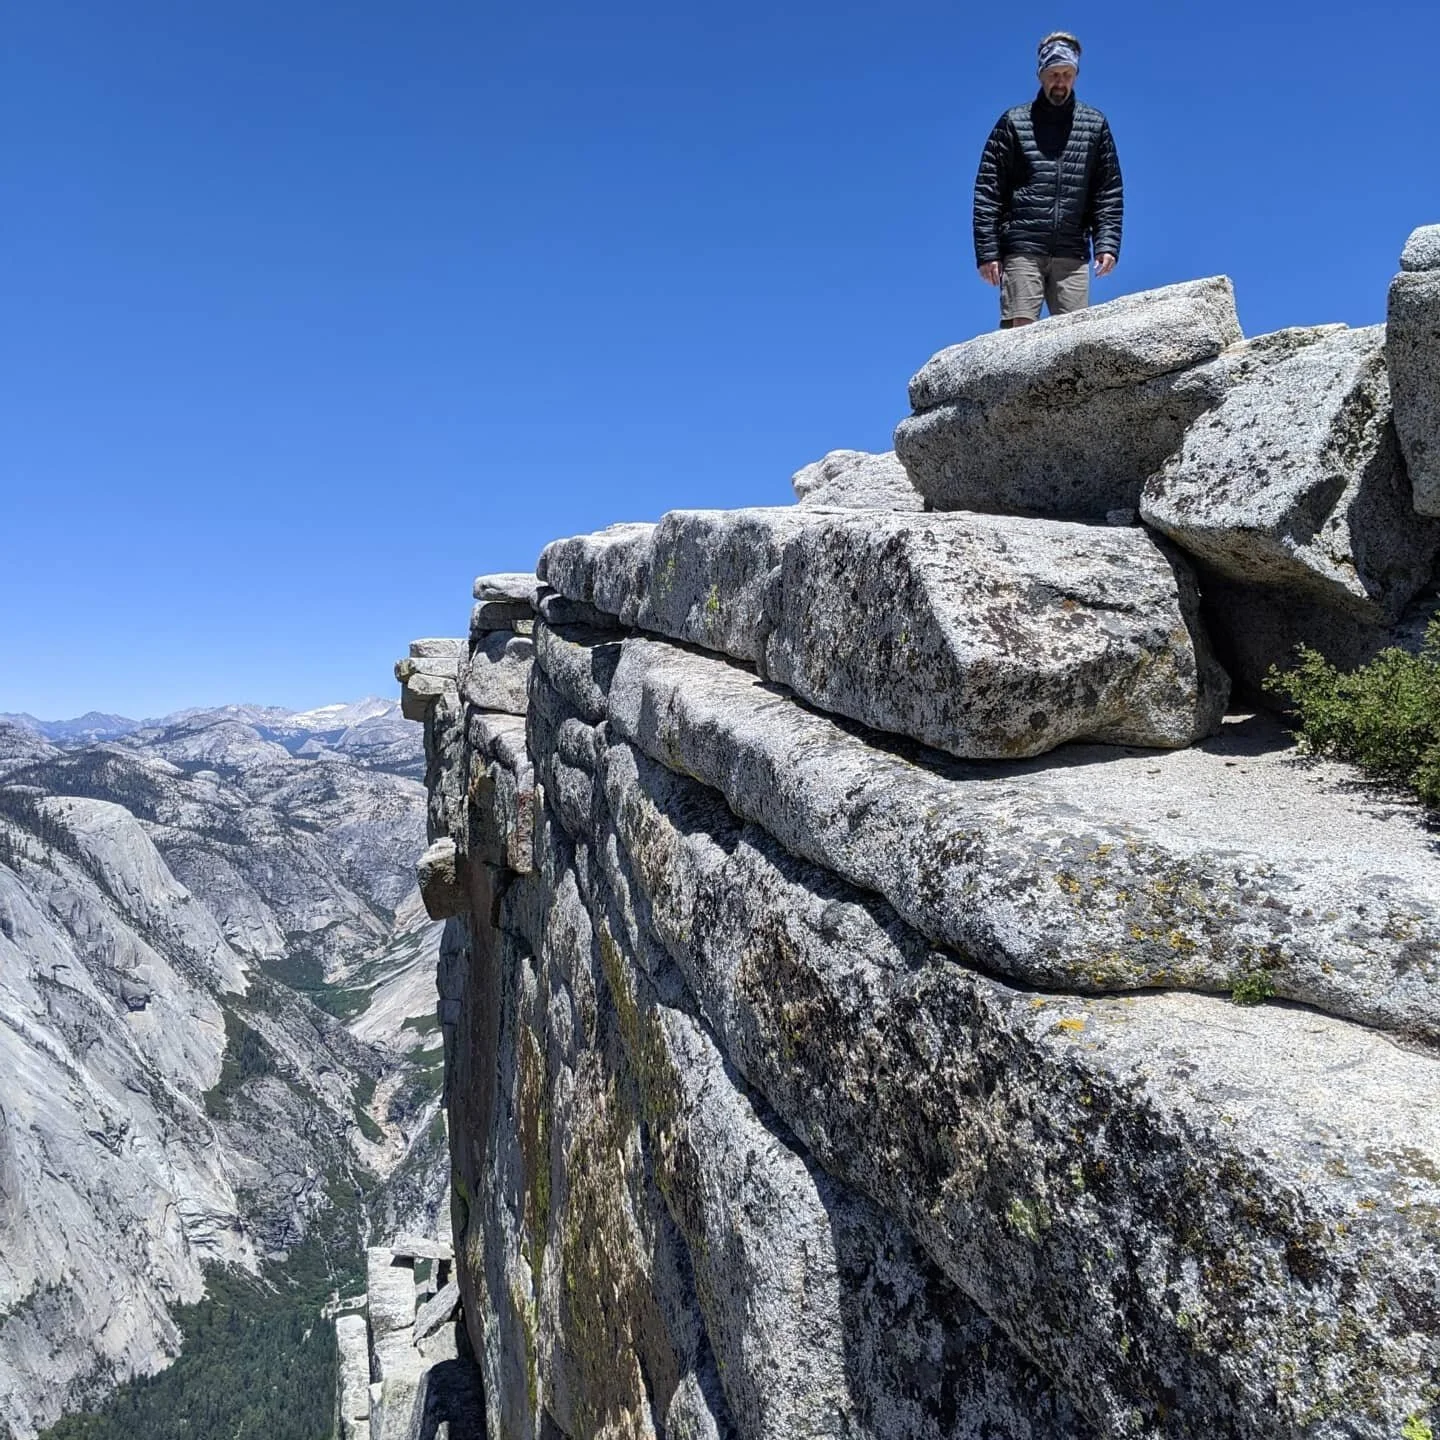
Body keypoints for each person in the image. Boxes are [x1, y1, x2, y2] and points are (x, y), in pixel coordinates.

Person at [973, 32, 1123, 328]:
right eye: (1054, 74)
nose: (1060, 82)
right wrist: (988, 251)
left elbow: (1107, 190)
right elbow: (988, 190)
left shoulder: (1095, 124)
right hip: (1022, 248)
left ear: (1076, 75)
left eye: (1067, 74)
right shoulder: (1014, 122)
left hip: (1072, 252)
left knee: (1073, 342)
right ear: (1041, 75)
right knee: (1020, 337)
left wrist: (1106, 242)